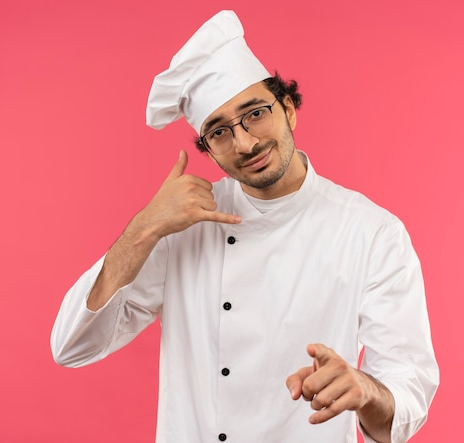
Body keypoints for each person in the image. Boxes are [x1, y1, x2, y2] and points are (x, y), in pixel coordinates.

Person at [51, 10, 438, 443]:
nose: (246, 143)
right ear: (208, 150)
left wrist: (365, 390)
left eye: (255, 114)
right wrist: (144, 228)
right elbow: (71, 347)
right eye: (219, 131)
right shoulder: (182, 227)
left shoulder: (371, 233)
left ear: (288, 108)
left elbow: (406, 399)